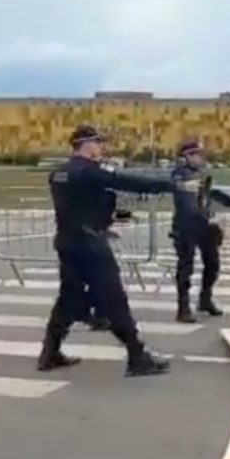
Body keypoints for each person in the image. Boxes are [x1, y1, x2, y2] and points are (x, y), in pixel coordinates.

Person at [39, 125, 177, 377]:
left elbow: (79, 205)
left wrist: (102, 223)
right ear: (85, 144)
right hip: (90, 245)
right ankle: (138, 357)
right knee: (113, 299)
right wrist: (169, 185)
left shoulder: (59, 172)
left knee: (68, 299)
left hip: (68, 240)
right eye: (98, 143)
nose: (102, 147)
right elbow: (125, 181)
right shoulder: (89, 171)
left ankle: (49, 353)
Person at [170, 139, 230, 323]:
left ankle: (205, 300)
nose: (202, 158)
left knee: (213, 263)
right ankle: (183, 308)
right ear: (187, 156)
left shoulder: (201, 173)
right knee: (186, 267)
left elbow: (210, 193)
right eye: (198, 154)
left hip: (203, 226)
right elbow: (187, 202)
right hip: (186, 227)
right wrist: (204, 217)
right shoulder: (179, 175)